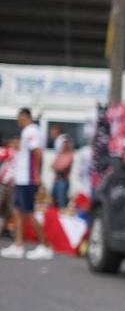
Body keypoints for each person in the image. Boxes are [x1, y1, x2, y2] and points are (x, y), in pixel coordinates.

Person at [1, 109, 54, 260]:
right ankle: (18, 245)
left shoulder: (30, 131)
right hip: (21, 178)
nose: (18, 122)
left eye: (18, 119)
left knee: (29, 212)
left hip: (27, 179)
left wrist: (37, 173)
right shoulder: (27, 132)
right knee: (17, 211)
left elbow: (37, 152)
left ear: (24, 118)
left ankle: (45, 246)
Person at [48, 125, 73, 209]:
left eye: (65, 144)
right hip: (56, 181)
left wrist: (57, 167)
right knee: (52, 200)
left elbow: (63, 168)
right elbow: (52, 165)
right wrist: (57, 167)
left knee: (62, 202)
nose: (63, 146)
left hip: (63, 181)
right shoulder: (60, 155)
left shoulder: (69, 155)